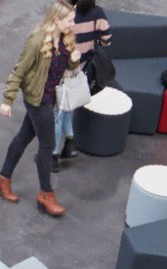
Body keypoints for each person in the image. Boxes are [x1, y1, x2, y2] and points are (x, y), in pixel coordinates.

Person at [0, 0, 81, 216]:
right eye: (69, 21)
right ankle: (45, 194)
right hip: (37, 99)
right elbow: (18, 71)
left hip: (49, 98)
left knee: (23, 137)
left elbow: (64, 67)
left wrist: (74, 61)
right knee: (47, 145)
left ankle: (1, 180)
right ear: (56, 20)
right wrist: (7, 100)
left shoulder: (65, 39)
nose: (73, 24)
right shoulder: (37, 40)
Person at [51, 0, 112, 173]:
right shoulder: (98, 13)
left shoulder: (67, 16)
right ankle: (70, 142)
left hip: (63, 70)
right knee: (66, 106)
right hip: (83, 69)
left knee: (57, 111)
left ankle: (53, 155)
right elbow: (107, 40)